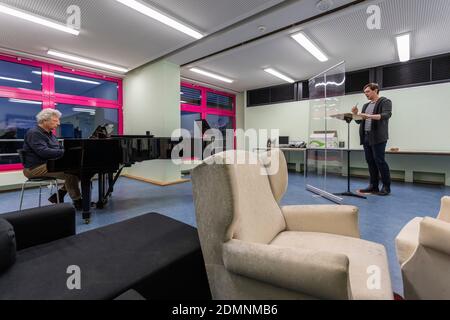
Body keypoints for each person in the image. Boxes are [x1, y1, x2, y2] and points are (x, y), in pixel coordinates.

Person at [22, 109, 82, 209]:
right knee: (71, 173)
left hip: (48, 165)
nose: (58, 123)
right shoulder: (34, 133)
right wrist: (66, 152)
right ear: (45, 120)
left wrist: (66, 151)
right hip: (34, 168)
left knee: (79, 171)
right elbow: (44, 152)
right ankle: (78, 201)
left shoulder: (50, 134)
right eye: (55, 120)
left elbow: (59, 149)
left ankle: (59, 195)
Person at [352, 83, 392, 196]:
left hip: (378, 137)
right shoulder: (365, 105)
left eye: (368, 92)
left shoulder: (385, 101)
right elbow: (359, 121)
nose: (366, 94)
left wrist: (368, 116)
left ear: (375, 90)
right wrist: (356, 114)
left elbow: (386, 115)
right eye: (365, 93)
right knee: (370, 161)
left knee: (380, 161)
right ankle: (373, 186)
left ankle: (386, 187)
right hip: (366, 136)